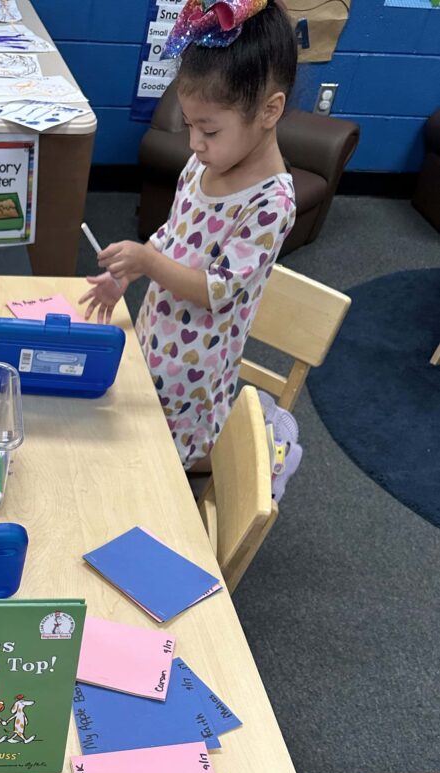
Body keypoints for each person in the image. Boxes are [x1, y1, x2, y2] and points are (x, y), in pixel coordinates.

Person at [81, 0, 297, 471]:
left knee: (160, 470)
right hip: (158, 338)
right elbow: (174, 234)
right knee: (129, 435)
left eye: (209, 129)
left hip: (196, 373)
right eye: (191, 125)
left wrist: (147, 263)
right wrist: (129, 275)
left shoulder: (271, 204)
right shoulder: (204, 163)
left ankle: (264, 451)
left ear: (270, 110)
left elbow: (215, 289)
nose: (195, 143)